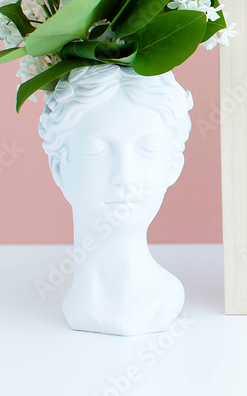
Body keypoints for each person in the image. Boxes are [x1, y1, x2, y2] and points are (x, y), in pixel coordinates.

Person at [39, 64, 192, 336]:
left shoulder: (162, 298)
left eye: (148, 149)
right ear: (59, 168)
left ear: (174, 165)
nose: (124, 175)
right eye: (97, 150)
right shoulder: (83, 305)